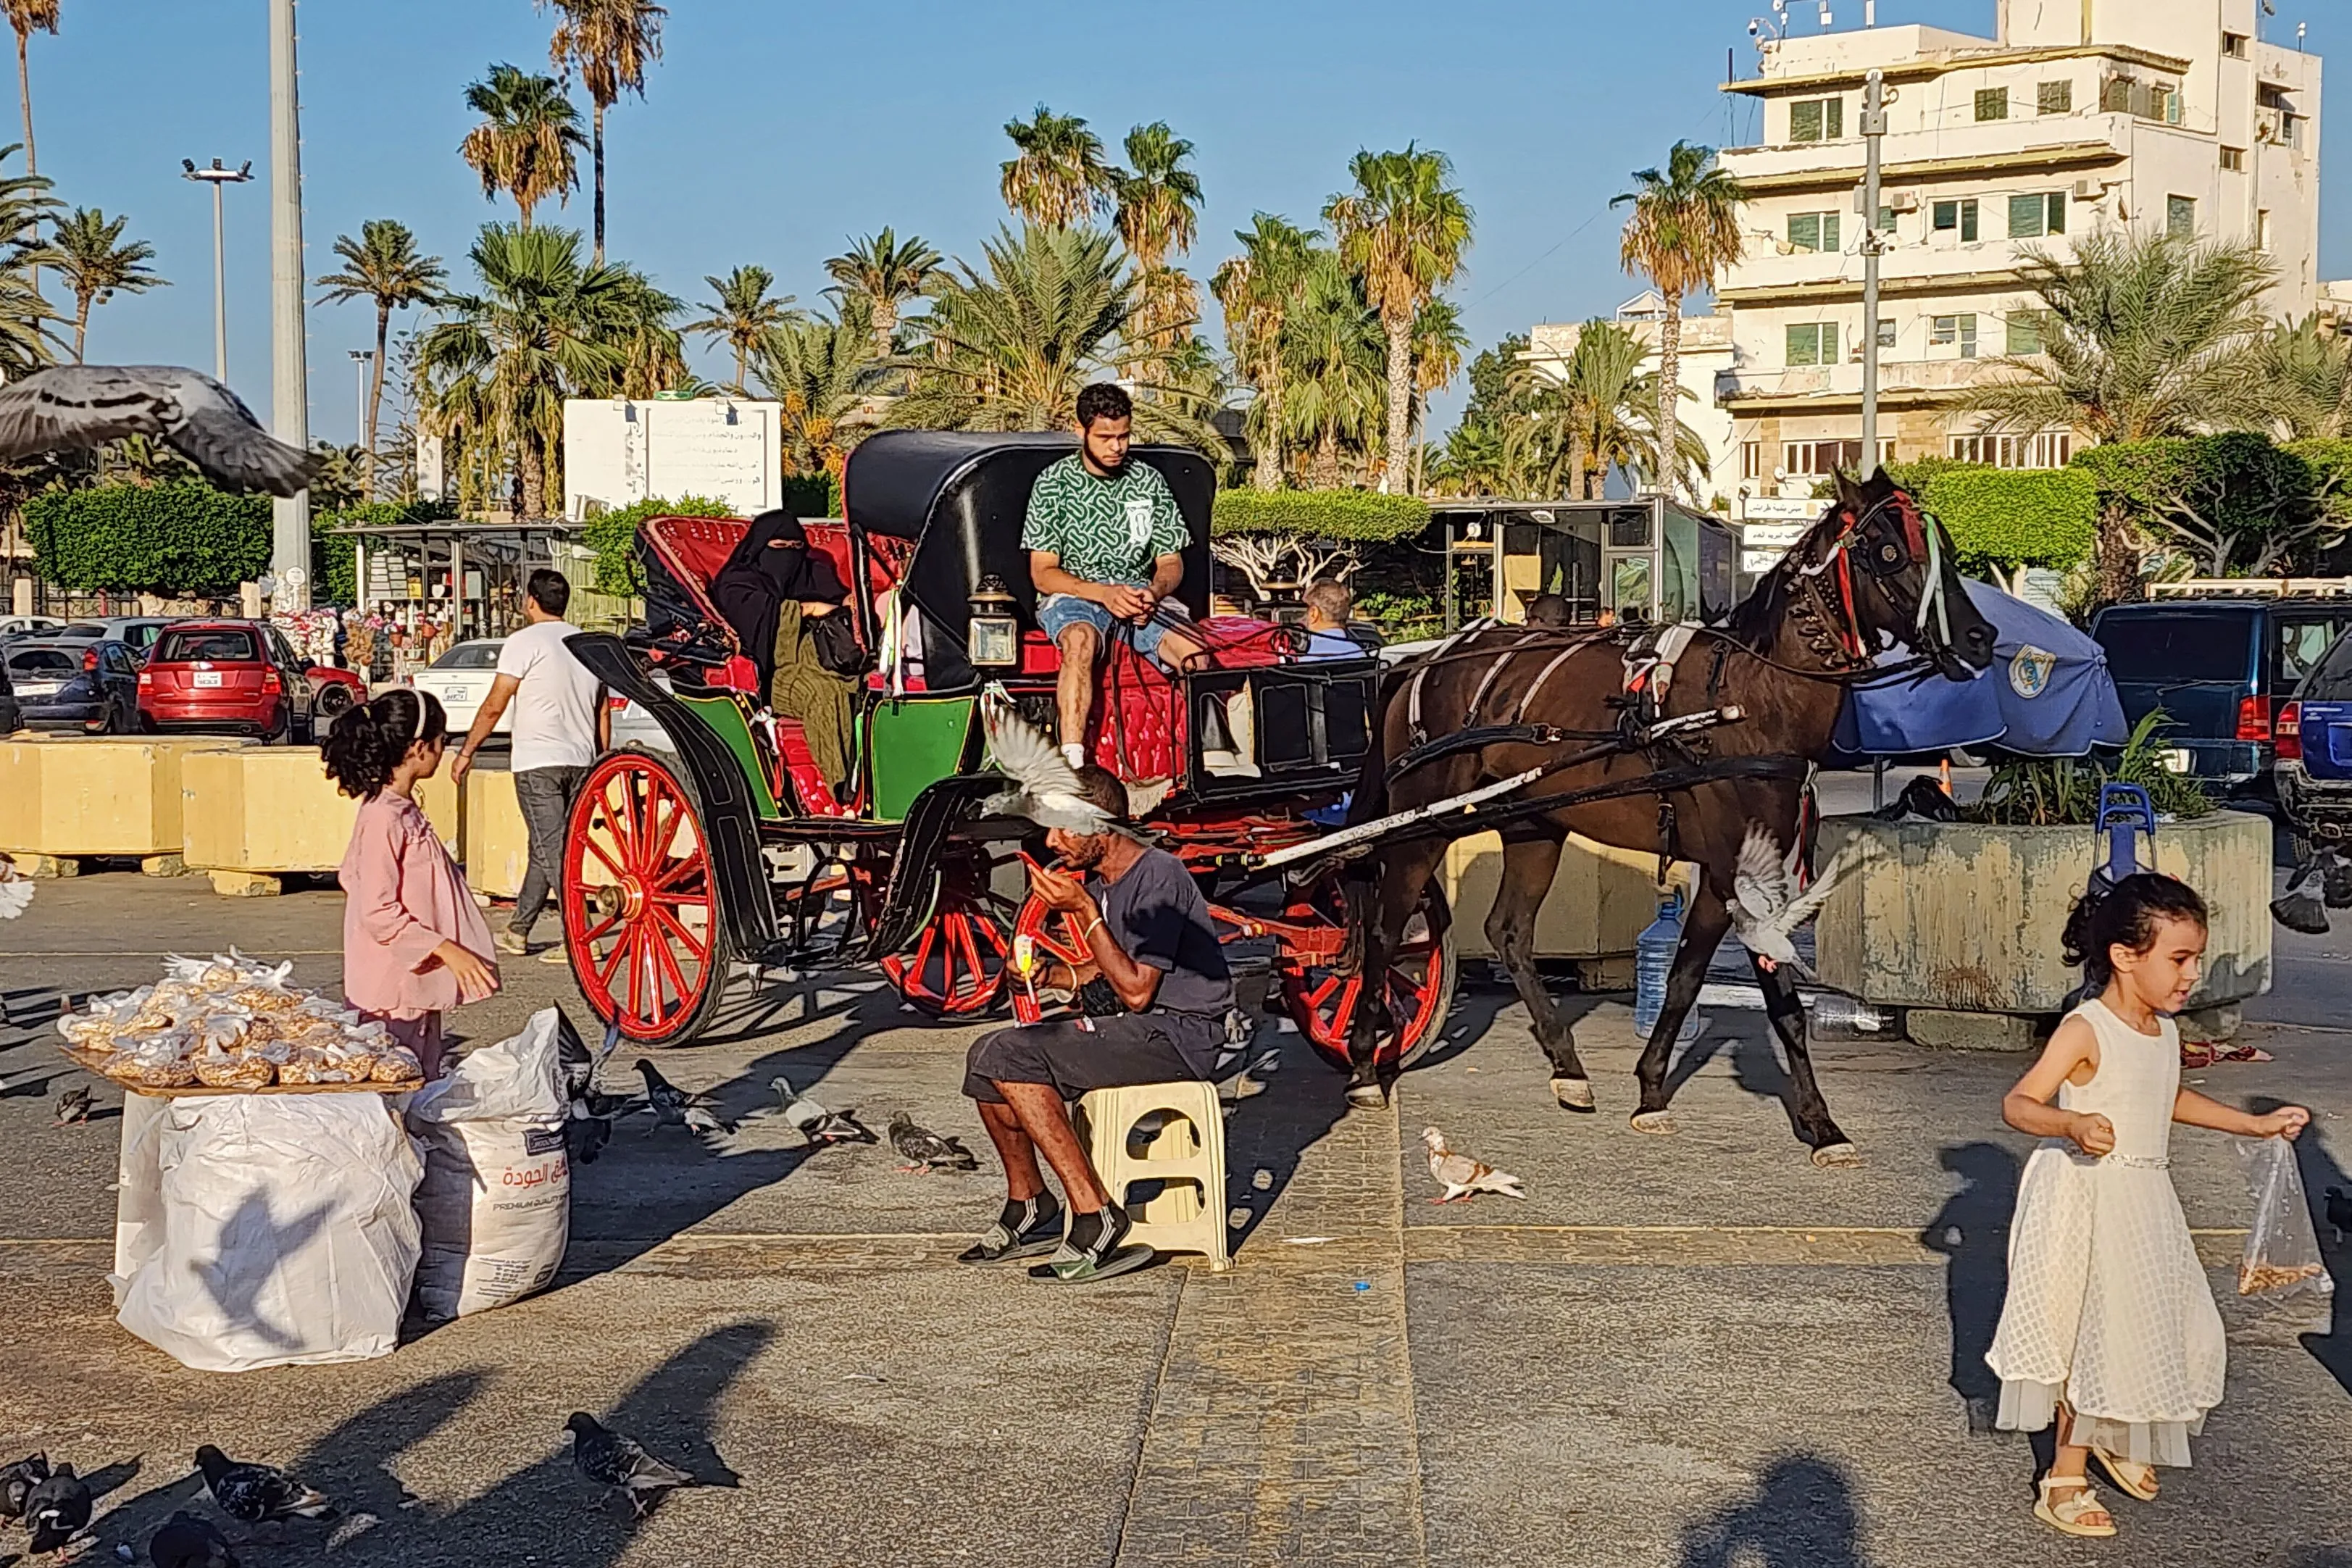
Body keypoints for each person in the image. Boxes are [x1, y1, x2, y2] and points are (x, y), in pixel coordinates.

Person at [1985, 872, 2309, 1539]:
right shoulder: (2086, 1029)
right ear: (2125, 957)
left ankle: (2115, 1429)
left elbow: (2162, 1099)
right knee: (2093, 1331)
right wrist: (2071, 1126)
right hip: (2088, 1196)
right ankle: (2064, 1479)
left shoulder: (2162, 1032)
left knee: (2175, 1325)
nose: (2191, 975)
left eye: (2196, 958)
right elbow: (2020, 1103)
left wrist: (2252, 1125)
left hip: (2145, 1196)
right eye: (2179, 959)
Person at [959, 765, 1235, 1282]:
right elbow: (1106, 969)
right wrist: (1053, 975)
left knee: (1013, 1053)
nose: (1051, 840)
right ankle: (1030, 1200)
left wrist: (1083, 909)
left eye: (1064, 828)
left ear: (1100, 827)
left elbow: (1135, 989)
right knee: (983, 1057)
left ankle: (1097, 1212)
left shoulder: (1159, 876)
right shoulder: (1107, 880)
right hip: (1142, 1024)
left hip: (1178, 1036)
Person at [1025, 383, 1204, 770]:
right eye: (1106, 437)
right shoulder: (1053, 484)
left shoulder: (1149, 481)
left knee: (1194, 653)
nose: (1117, 447)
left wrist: (1154, 592)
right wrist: (1103, 595)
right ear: (1080, 430)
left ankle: (1205, 760)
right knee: (1079, 641)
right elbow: (1043, 574)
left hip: (1140, 593)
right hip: (1076, 595)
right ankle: (1073, 763)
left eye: (1124, 436)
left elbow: (1171, 563)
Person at [324, 689, 501, 1079]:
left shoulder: (400, 810)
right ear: (420, 748)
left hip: (417, 984)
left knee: (423, 1077)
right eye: (443, 742)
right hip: (393, 988)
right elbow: (376, 908)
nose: (444, 750)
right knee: (398, 1083)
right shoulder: (383, 818)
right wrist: (446, 949)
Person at [450, 570, 609, 964]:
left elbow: (496, 702)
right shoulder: (587, 643)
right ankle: (518, 929)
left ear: (530, 602)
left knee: (552, 847)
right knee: (545, 845)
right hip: (581, 758)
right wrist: (602, 760)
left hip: (538, 760)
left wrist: (468, 750)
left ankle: (582, 937)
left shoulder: (523, 642)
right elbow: (601, 709)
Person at [709, 510, 859, 796]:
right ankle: (840, 787)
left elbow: (839, 603)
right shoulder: (737, 582)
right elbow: (756, 618)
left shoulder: (814, 573)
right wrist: (807, 609)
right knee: (822, 693)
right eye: (780, 547)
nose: (789, 555)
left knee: (865, 689)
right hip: (773, 676)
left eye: (796, 547)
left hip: (828, 662)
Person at [1298, 579, 1372, 659]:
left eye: (1306, 611)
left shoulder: (1303, 658)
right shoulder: (1360, 654)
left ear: (1314, 613)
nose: (1304, 617)